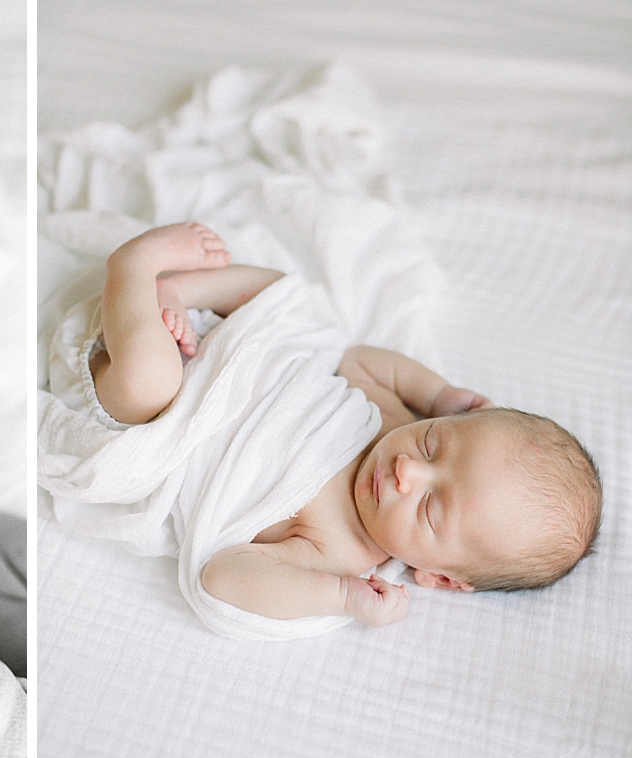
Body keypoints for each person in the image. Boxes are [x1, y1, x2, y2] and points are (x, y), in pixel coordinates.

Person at [89, 223, 602, 629]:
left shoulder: (340, 552)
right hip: (217, 344)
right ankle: (174, 290)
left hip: (168, 416)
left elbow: (222, 577)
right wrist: (435, 394)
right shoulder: (392, 420)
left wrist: (341, 599)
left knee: (147, 382)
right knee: (287, 297)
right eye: (433, 442)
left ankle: (134, 267)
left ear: (440, 577)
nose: (407, 472)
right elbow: (360, 360)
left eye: (428, 506)